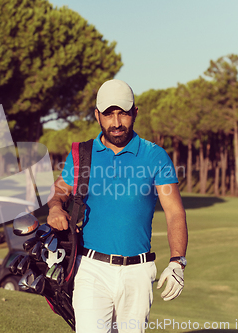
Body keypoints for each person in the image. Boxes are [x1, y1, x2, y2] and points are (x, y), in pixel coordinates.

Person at [47, 79, 188, 333]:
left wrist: (177, 261)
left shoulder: (155, 156)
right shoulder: (82, 154)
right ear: (97, 115)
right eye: (109, 114)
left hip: (138, 271)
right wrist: (55, 208)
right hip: (91, 268)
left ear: (135, 112)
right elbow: (60, 190)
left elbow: (175, 212)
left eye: (122, 113)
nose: (116, 122)